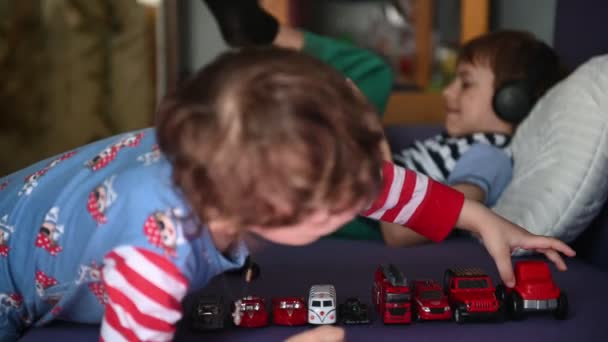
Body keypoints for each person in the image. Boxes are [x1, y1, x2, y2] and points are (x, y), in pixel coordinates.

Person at [1, 12, 574, 342]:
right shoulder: (155, 256)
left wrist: (482, 220)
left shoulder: (241, 158)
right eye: (346, 199)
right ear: (279, 209)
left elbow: (388, 189)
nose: (370, 191)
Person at [202, 1, 566, 248]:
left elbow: (400, 232)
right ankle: (259, 35)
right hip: (362, 185)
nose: (448, 94)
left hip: (363, 206)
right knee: (372, 76)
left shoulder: (489, 156)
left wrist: (370, 137)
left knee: (369, 77)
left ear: (511, 101)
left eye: (466, 83)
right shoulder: (462, 144)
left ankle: (265, 39)